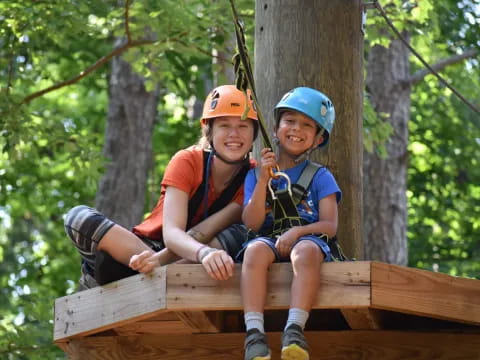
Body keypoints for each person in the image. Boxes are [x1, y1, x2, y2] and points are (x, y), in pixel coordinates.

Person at [64, 84, 259, 289]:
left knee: (239, 234)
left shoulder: (253, 177)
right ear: (209, 130)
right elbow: (172, 232)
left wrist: (167, 260)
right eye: (225, 126)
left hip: (198, 251)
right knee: (77, 218)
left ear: (253, 133)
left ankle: (138, 273)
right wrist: (156, 259)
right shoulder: (188, 160)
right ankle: (137, 269)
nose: (234, 134)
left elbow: (202, 232)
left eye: (243, 126)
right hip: (150, 246)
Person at [239, 87, 341, 360]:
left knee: (305, 251)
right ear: (276, 128)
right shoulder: (257, 174)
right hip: (269, 237)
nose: (297, 129)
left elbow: (330, 226)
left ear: (318, 139)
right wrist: (262, 181)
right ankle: (254, 334)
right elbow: (251, 222)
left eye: (308, 125)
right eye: (290, 121)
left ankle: (294, 329)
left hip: (307, 238)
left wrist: (299, 231)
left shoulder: (320, 176)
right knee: (253, 251)